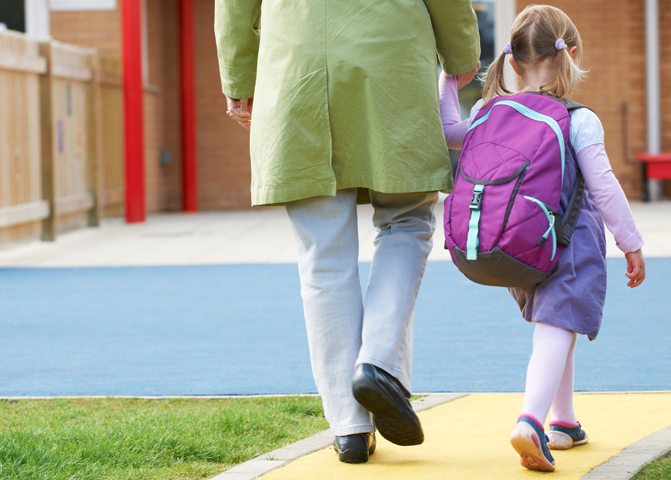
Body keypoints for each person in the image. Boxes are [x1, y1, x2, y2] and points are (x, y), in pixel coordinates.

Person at [214, 0, 481, 464]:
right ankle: (378, 364)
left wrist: (239, 78)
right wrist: (462, 54)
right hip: (390, 61)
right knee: (406, 220)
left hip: (296, 67)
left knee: (323, 253)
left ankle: (350, 427)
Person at [439, 4, 646, 473]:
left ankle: (564, 422)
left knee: (557, 324)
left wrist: (449, 81)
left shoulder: (488, 108)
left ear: (512, 62)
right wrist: (630, 242)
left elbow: (451, 133)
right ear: (570, 54)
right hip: (570, 242)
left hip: (519, 242)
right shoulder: (577, 118)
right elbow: (604, 185)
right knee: (559, 325)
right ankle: (530, 420)